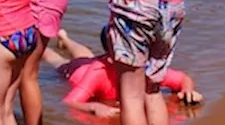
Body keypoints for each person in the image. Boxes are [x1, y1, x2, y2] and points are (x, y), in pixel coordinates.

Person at [43, 27, 202, 117]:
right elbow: (69, 102)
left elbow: (182, 79)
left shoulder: (144, 67)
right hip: (76, 71)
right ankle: (41, 49)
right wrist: (94, 107)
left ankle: (65, 39)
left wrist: (187, 90)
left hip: (97, 63)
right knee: (59, 61)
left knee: (86, 56)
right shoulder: (98, 73)